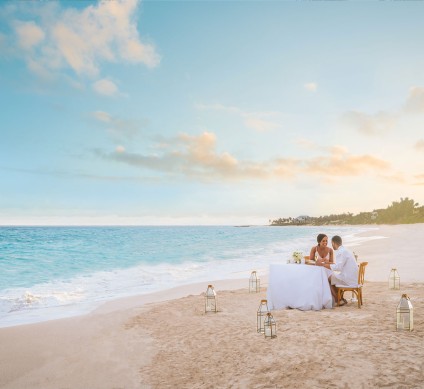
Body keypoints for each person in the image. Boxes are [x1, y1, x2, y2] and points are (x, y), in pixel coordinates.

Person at [316, 235, 358, 306]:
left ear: (333, 243)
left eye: (331, 243)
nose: (332, 245)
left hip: (348, 279)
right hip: (353, 278)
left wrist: (323, 265)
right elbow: (340, 265)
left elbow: (338, 267)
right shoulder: (345, 250)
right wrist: (328, 263)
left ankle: (337, 299)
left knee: (327, 278)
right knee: (333, 278)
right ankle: (340, 298)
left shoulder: (340, 252)